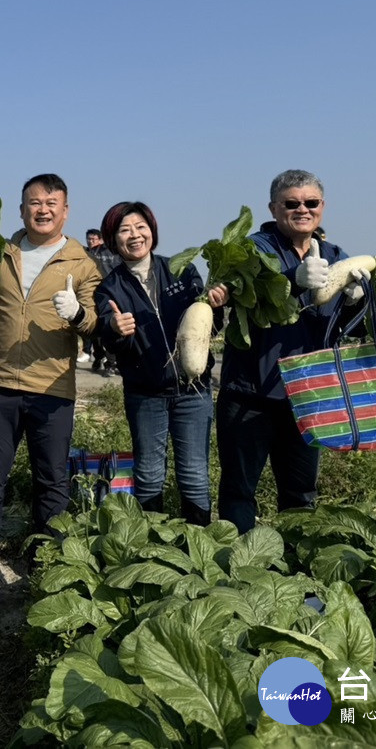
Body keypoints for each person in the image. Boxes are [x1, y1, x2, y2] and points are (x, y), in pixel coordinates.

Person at [0, 173, 101, 600]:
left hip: (52, 388)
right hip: (1, 384)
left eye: (51, 202)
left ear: (65, 210)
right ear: (21, 209)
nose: (43, 209)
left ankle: (49, 571)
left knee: (51, 483)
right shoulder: (0, 254)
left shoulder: (81, 263)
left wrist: (78, 314)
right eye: (34, 202)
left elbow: (95, 324)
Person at [216, 169, 365, 535]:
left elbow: (352, 329)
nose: (302, 209)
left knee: (300, 493)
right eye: (292, 203)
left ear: (322, 207)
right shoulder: (252, 250)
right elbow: (251, 292)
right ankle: (234, 571)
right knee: (239, 490)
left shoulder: (335, 256)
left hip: (307, 396)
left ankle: (295, 572)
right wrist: (292, 281)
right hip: (251, 393)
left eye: (311, 203)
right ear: (274, 207)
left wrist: (355, 303)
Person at [94, 201, 227, 524]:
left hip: (193, 391)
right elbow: (107, 336)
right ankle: (153, 548)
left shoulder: (181, 269)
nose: (135, 235)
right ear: (113, 241)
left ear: (152, 231)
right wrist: (114, 328)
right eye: (124, 230)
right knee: (150, 473)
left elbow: (210, 325)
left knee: (194, 474)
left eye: (140, 227)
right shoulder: (109, 287)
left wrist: (217, 306)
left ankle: (197, 546)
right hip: (145, 392)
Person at [83, 228, 117, 375]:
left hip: (112, 295)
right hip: (94, 295)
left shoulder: (115, 252)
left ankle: (111, 363)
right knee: (95, 330)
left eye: (94, 239)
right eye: (88, 239)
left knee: (109, 328)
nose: (91, 242)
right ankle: (98, 357)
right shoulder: (89, 253)